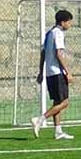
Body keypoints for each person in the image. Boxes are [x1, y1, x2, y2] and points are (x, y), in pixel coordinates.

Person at [32, 10, 75, 140]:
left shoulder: (49, 33)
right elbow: (59, 54)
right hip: (57, 73)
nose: (70, 25)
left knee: (57, 102)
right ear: (63, 22)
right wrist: (68, 72)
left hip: (50, 74)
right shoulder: (59, 33)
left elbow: (43, 54)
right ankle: (40, 119)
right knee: (65, 102)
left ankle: (58, 131)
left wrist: (41, 71)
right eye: (69, 22)